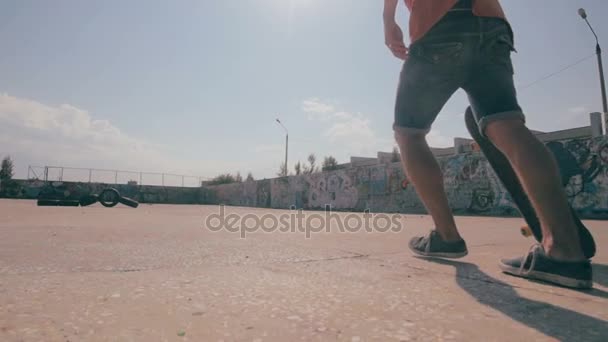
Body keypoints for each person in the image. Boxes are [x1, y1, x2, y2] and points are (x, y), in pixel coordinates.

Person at [383, 0, 593, 288]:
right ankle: (564, 251)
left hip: (438, 28)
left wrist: (388, 19)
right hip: (493, 26)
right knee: (507, 126)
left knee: (409, 133)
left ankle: (446, 236)